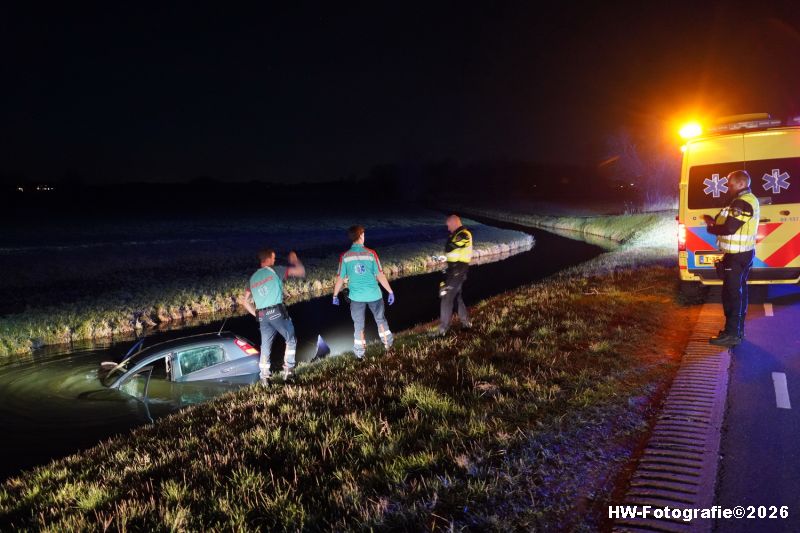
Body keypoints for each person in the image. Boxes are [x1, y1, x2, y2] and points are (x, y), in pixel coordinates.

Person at [703, 170, 760, 347]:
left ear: (741, 184)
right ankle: (736, 331)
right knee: (738, 293)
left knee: (732, 295)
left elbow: (729, 228)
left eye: (730, 184)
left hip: (737, 257)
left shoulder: (742, 202)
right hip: (741, 254)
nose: (728, 187)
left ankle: (732, 334)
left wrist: (711, 227)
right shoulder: (746, 200)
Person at [242, 249, 305, 380]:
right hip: (276, 312)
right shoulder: (275, 270)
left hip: (262, 317)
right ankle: (289, 372)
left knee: (265, 346)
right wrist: (295, 260)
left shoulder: (252, 278)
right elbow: (300, 272)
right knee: (291, 339)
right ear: (269, 258)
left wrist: (257, 314)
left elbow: (244, 301)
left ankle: (264, 377)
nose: (275, 260)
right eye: (274, 258)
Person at [332, 225, 395, 358]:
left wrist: (335, 295)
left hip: (356, 297)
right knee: (380, 320)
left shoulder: (345, 256)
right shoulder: (371, 253)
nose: (364, 237)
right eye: (364, 234)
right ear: (360, 236)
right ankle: (388, 346)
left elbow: (340, 278)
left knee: (358, 325)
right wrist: (390, 291)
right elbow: (380, 275)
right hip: (374, 295)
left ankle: (360, 355)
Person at [437, 214, 473, 335]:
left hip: (459, 270)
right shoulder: (456, 235)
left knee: (446, 297)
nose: (448, 229)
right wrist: (445, 258)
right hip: (454, 271)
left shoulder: (464, 234)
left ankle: (443, 329)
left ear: (454, 222)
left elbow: (451, 248)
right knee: (457, 298)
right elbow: (452, 251)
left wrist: (449, 243)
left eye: (448, 225)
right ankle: (466, 323)